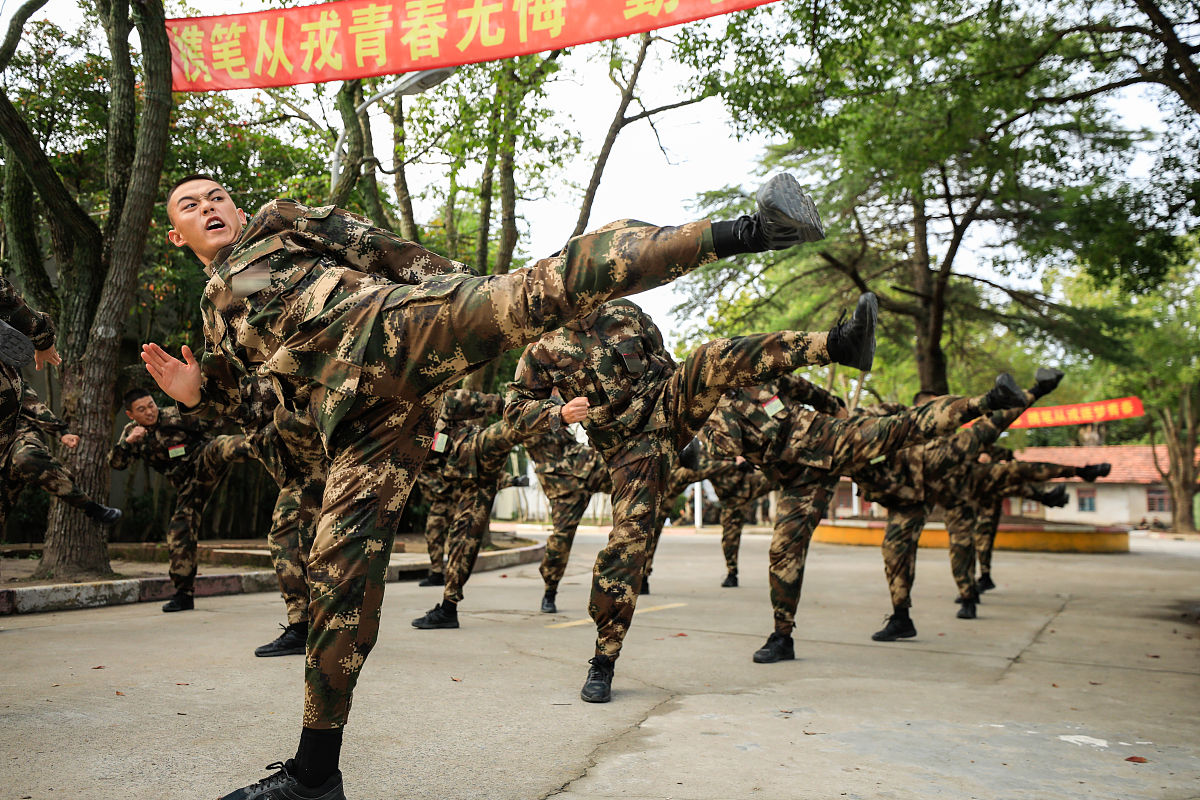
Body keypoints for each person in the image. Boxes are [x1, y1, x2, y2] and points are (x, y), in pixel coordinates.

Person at [142, 171, 825, 798]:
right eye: (192, 207)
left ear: (235, 207)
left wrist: (464, 292)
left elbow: (381, 247)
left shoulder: (277, 222)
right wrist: (193, 392)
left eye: (217, 198)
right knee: (337, 574)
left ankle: (753, 230)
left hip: (398, 327)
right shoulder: (214, 312)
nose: (211, 209)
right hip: (362, 419)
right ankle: (315, 775)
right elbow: (235, 390)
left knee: (547, 287)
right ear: (177, 235)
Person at [504, 279, 877, 702]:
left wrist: (695, 395)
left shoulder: (625, 313)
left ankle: (839, 344)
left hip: (667, 404)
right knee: (628, 542)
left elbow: (664, 360)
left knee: (711, 356)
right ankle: (603, 660)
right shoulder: (542, 350)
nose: (579, 301)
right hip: (630, 448)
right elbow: (514, 410)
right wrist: (558, 412)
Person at [682, 370, 1033, 664]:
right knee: (783, 552)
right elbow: (717, 448)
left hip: (832, 442)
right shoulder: (712, 408)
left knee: (907, 426)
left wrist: (835, 410)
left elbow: (808, 390)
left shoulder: (762, 376)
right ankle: (782, 636)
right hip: (799, 478)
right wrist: (689, 449)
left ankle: (989, 399)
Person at [107, 387, 257, 612]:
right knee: (179, 530)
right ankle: (183, 594)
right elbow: (116, 463)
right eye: (142, 409)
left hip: (203, 460)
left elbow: (215, 422)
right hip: (187, 485)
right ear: (130, 414)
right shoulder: (132, 433)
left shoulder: (174, 416)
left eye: (151, 405)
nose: (149, 412)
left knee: (219, 446)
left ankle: (263, 445)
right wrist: (128, 443)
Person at [411, 389, 530, 629]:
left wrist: (520, 405)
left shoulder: (443, 403)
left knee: (513, 427)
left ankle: (555, 409)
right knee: (462, 540)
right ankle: (448, 610)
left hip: (478, 447)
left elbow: (496, 402)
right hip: (472, 483)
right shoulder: (403, 438)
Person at [1, 379, 122, 531]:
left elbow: (31, 404)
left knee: (26, 458)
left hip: (17, 436)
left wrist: (61, 432)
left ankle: (90, 507)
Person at [521, 423, 612, 614]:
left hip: (590, 467)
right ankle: (550, 591)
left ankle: (676, 456)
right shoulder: (524, 414)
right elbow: (499, 436)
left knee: (633, 470)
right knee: (561, 539)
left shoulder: (556, 408)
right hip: (564, 486)